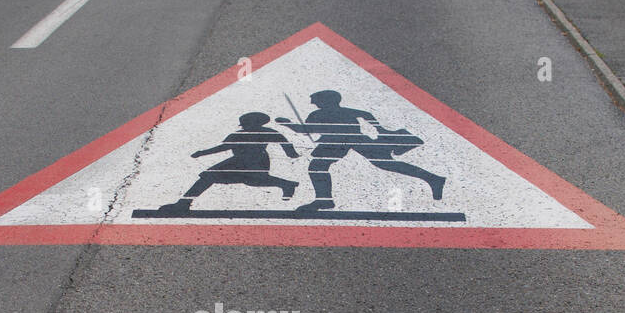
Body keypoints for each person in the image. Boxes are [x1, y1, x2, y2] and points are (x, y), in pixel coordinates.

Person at [276, 90, 445, 211]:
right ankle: (433, 178)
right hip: (353, 140)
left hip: (338, 142)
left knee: (318, 167)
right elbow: (366, 114)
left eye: (315, 100)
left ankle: (324, 200)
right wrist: (380, 129)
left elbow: (303, 130)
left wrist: (286, 123)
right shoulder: (346, 111)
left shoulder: (317, 114)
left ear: (325, 101)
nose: (314, 103)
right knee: (385, 164)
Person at [154, 112, 300, 214]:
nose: (245, 125)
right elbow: (223, 147)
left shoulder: (267, 132)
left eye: (248, 122)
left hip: (255, 162)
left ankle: (286, 184)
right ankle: (183, 203)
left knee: (253, 181)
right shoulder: (239, 134)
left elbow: (284, 143)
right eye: (244, 124)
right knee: (209, 177)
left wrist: (292, 154)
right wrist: (202, 153)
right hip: (239, 161)